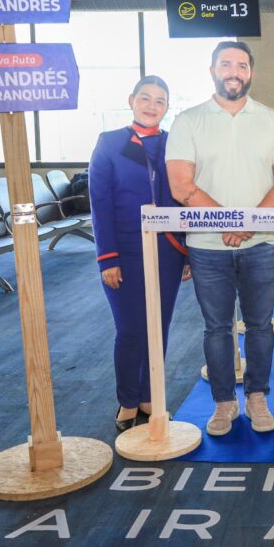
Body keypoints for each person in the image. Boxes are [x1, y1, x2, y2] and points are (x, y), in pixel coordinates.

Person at [166, 41, 274, 436]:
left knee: (259, 326)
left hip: (262, 243)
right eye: (226, 64)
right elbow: (180, 185)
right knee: (217, 328)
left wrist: (249, 223)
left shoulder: (272, 119)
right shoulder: (188, 121)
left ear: (251, 73)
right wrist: (228, 220)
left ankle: (257, 398)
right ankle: (224, 403)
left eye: (241, 64)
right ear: (212, 71)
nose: (234, 71)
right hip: (207, 246)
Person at [89, 75, 190, 432]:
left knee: (158, 328)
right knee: (130, 329)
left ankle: (151, 395)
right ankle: (128, 400)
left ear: (167, 108)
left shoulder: (174, 144)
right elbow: (99, 205)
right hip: (125, 251)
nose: (151, 106)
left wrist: (187, 251)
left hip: (168, 250)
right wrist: (108, 258)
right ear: (131, 99)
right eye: (145, 98)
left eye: (159, 101)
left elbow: (184, 196)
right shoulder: (109, 143)